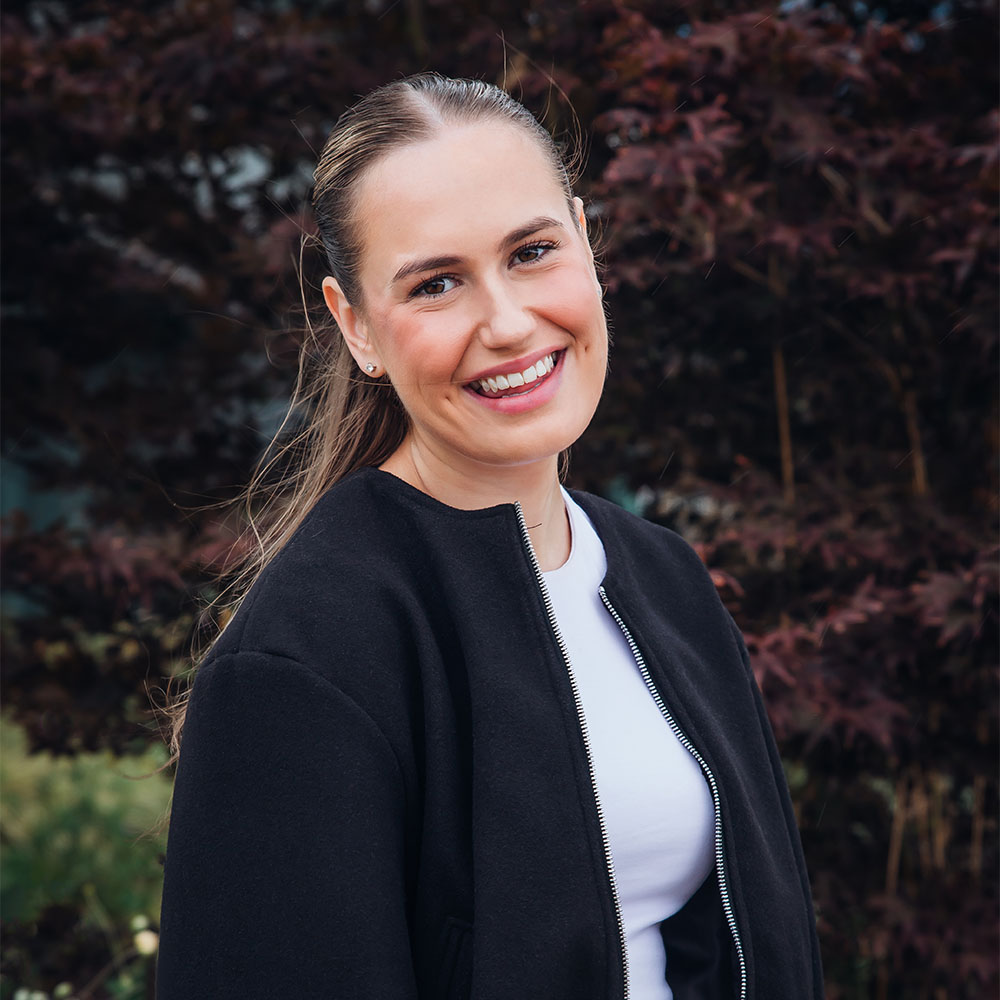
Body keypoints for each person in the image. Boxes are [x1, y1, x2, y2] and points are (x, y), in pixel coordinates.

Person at [156, 73, 823, 999]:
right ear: (356, 329)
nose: (507, 325)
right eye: (436, 283)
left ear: (587, 243)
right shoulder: (306, 655)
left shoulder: (663, 579)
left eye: (532, 252)